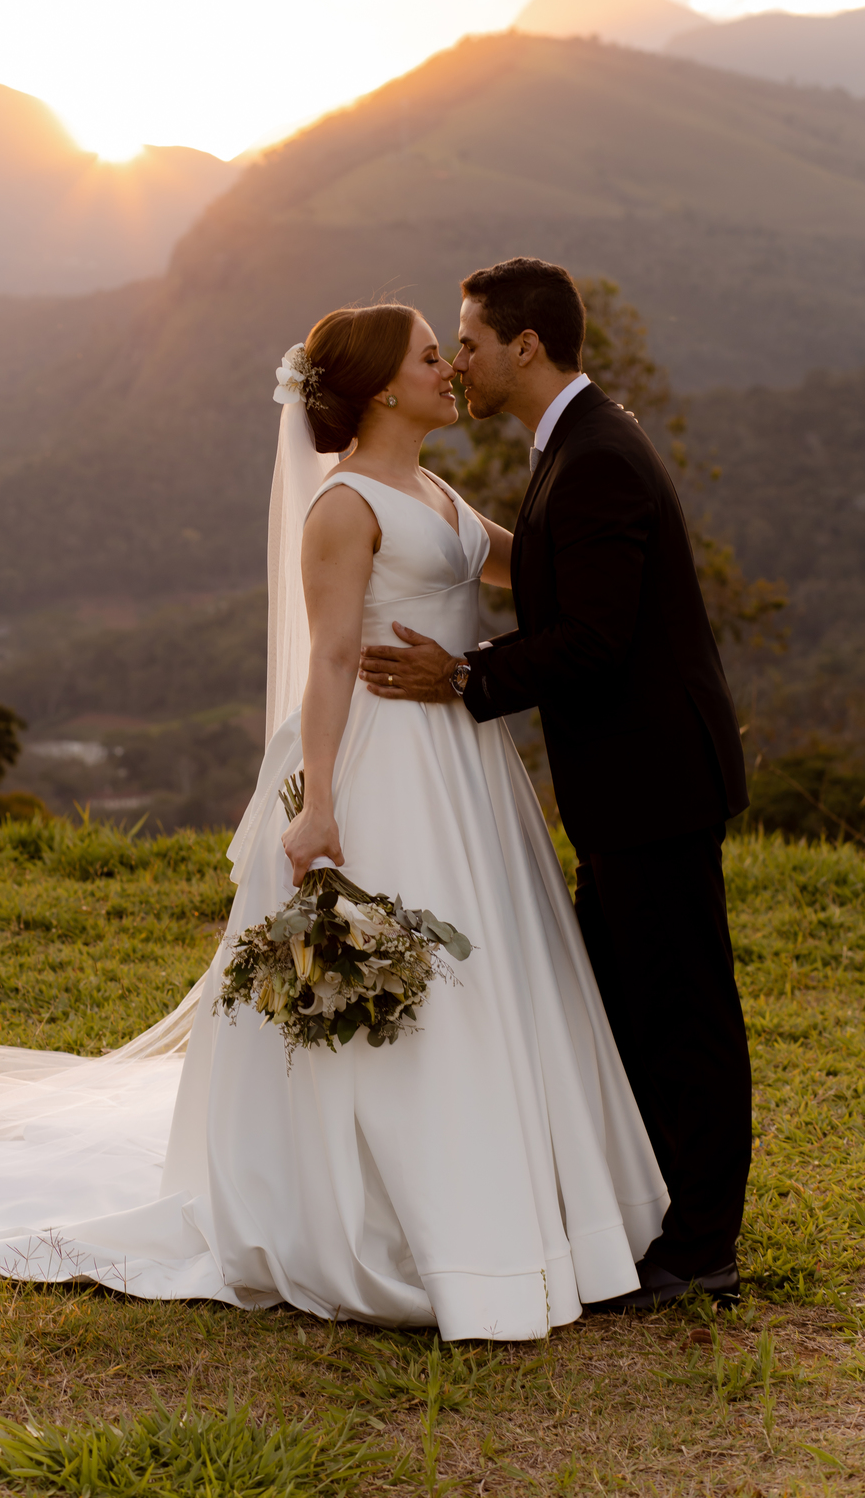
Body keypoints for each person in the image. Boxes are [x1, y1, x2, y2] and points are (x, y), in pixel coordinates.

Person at [0, 301, 667, 1341]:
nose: (450, 369)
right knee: (395, 984)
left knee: (490, 973)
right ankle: (381, 1216)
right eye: (433, 355)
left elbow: (534, 565)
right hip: (382, 759)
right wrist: (319, 802)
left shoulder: (436, 490)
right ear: (383, 386)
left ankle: (516, 1203)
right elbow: (332, 660)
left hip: (462, 765)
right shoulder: (343, 508)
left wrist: (623, 504)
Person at [359, 259, 751, 1311]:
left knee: (684, 1013)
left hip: (654, 785)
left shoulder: (597, 459)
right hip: (629, 787)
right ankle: (653, 1213)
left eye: (470, 341)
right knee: (621, 1002)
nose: (461, 361)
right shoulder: (571, 447)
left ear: (526, 345)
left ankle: (703, 1248)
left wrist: (465, 676)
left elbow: (594, 641)